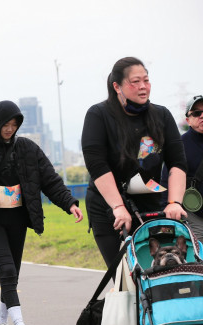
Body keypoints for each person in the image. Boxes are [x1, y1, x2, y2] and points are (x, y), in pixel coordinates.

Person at [0, 100, 83, 325]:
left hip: (18, 219)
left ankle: (1, 324)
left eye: (14, 124)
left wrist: (70, 203)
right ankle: (19, 323)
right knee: (7, 270)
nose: (9, 129)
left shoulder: (27, 148)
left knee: (12, 275)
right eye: (5, 124)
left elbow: (50, 179)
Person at [81, 57, 187, 269]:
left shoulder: (162, 115)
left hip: (150, 203)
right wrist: (118, 206)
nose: (142, 86)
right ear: (117, 86)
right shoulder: (98, 115)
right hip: (108, 204)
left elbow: (177, 162)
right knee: (124, 274)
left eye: (146, 80)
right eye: (135, 81)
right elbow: (97, 165)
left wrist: (175, 202)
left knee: (157, 271)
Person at [160, 95, 203, 238]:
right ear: (188, 120)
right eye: (196, 113)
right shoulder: (179, 145)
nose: (202, 116)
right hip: (194, 215)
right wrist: (165, 212)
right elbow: (167, 179)